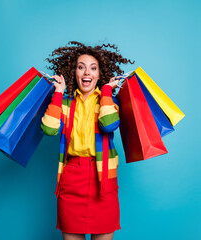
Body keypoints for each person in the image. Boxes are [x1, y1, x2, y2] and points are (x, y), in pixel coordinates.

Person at [41, 41, 134, 240]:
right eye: (81, 67)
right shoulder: (65, 104)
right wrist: (58, 93)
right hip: (72, 179)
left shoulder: (109, 102)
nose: (87, 73)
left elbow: (108, 125)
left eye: (93, 68)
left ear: (100, 75)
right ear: (73, 72)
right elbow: (49, 129)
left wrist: (108, 91)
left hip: (103, 181)